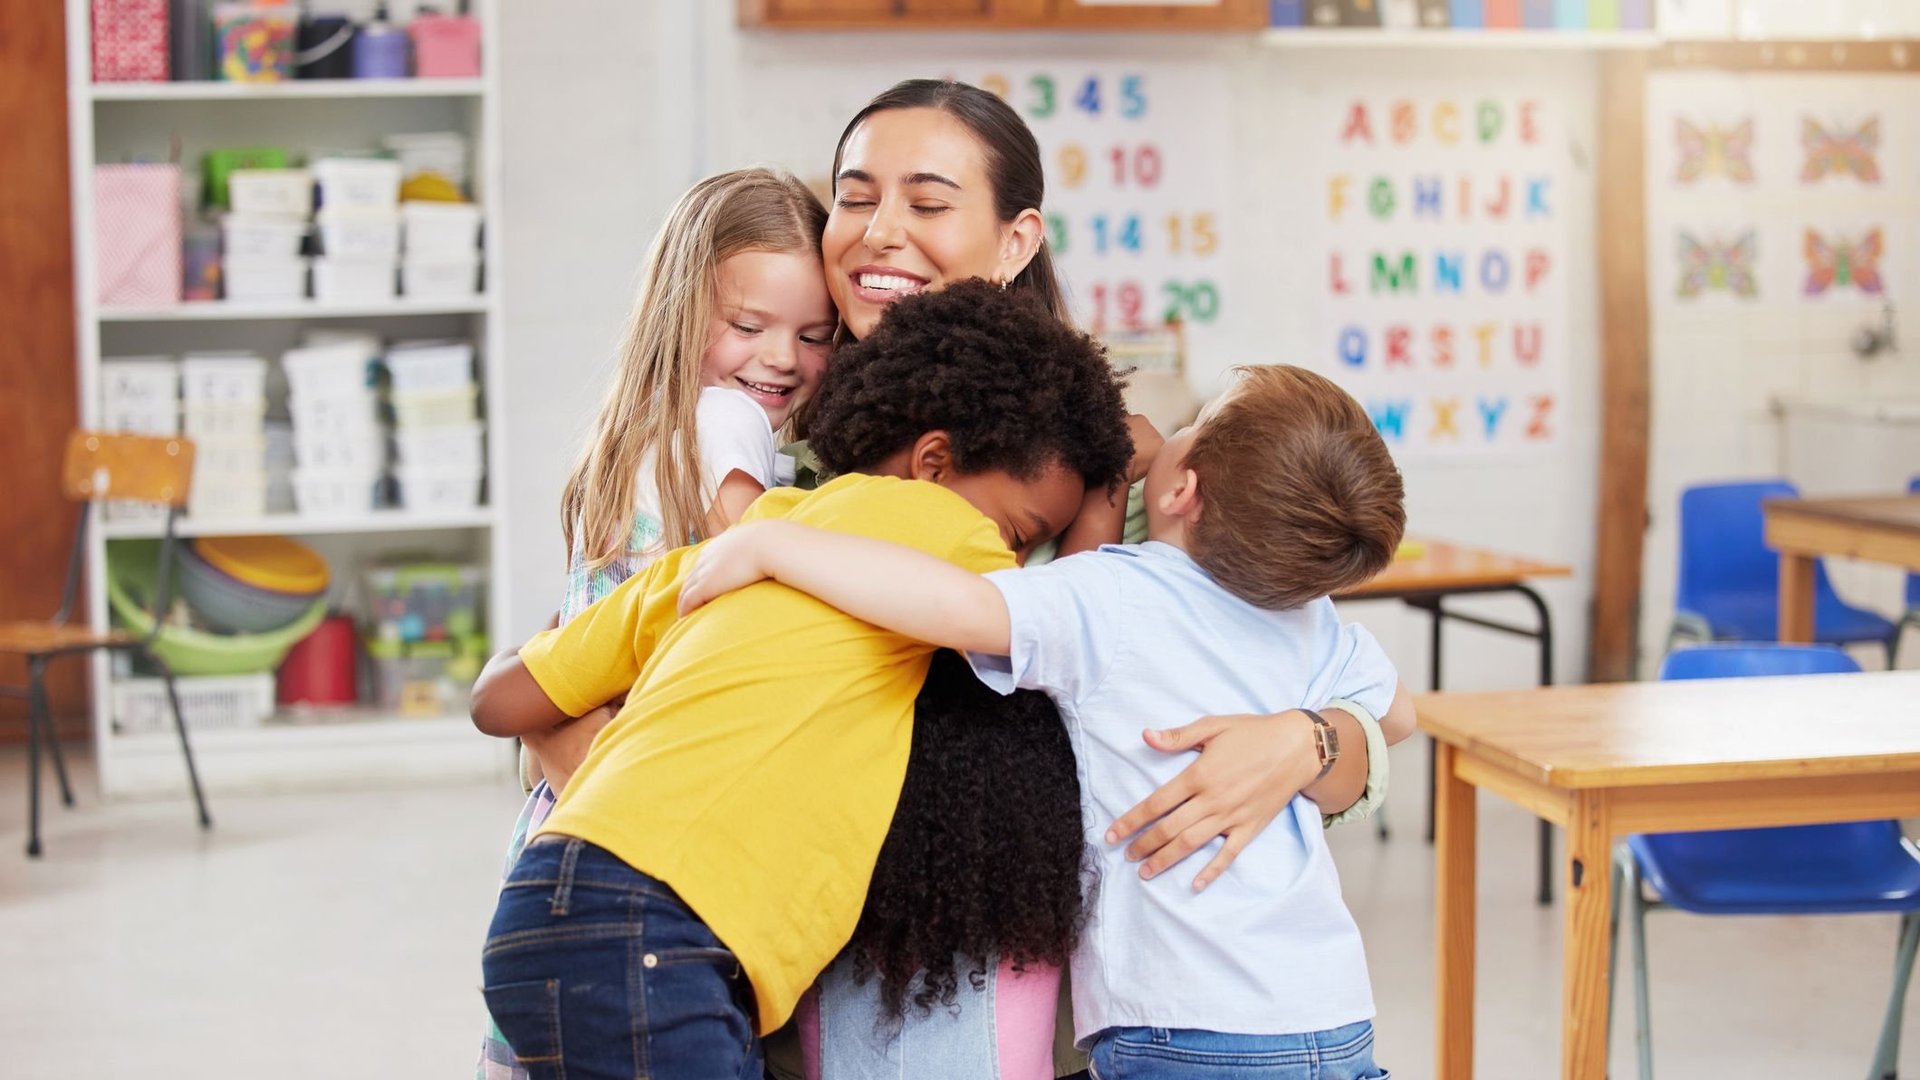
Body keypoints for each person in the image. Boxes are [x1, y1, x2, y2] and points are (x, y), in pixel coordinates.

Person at [471, 280, 1135, 1079]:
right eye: (1022, 532)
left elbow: (499, 700)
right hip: (659, 929)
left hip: (552, 902)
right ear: (933, 463)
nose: (1013, 552)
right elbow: (1053, 627)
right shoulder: (940, 527)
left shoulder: (718, 559)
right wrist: (1106, 499)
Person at [680, 363, 1416, 1080]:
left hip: (1186, 1018)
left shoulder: (1113, 596)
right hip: (1331, 1008)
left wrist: (774, 543)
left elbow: (956, 603)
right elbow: (1400, 713)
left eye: (1191, 426)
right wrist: (1303, 729)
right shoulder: (1308, 614)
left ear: (1184, 489)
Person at [474, 167, 838, 1080]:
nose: (781, 359)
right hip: (651, 854)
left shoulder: (630, 444)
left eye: (813, 335)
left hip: (569, 837)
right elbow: (752, 537)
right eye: (748, 327)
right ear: (682, 313)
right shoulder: (723, 423)